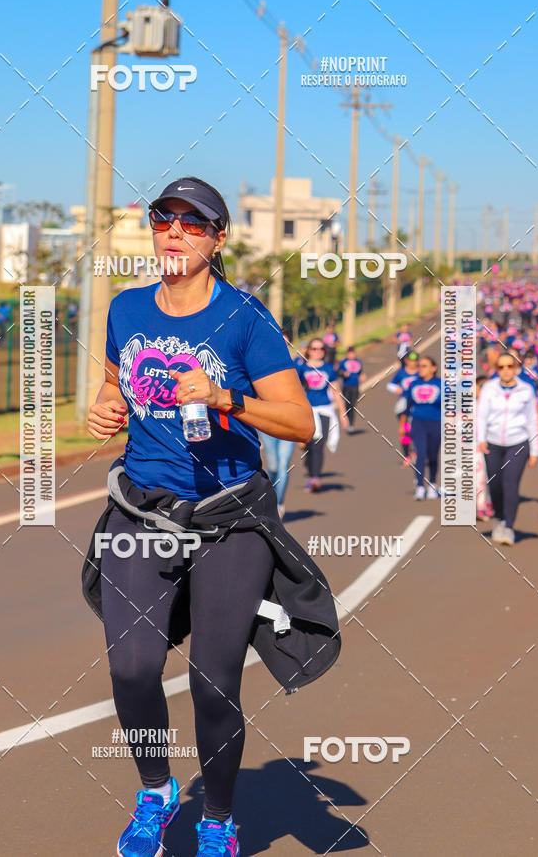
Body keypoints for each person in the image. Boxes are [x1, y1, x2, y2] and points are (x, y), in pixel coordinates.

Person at [86, 177, 339, 857]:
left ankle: (219, 819)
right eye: (163, 218)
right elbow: (116, 386)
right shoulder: (127, 308)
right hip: (143, 512)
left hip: (228, 519)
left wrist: (226, 396)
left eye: (192, 223)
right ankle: (155, 792)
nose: (174, 231)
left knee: (212, 679)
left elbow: (300, 422)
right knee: (133, 667)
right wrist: (104, 410)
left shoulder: (246, 320)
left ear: (217, 239)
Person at [477, 353, 538, 544]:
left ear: (516, 369)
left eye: (510, 366)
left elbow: (531, 419)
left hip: (518, 442)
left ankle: (509, 526)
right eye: (501, 367)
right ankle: (500, 518)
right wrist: (480, 439)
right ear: (497, 370)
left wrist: (534, 449)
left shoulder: (526, 390)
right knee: (495, 485)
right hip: (493, 443)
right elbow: (481, 415)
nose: (505, 370)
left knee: (511, 484)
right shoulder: (489, 388)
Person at [296, 337, 348, 491]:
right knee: (308, 444)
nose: (318, 352)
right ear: (308, 350)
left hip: (325, 410)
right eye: (314, 348)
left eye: (321, 349)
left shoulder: (329, 368)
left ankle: (315, 478)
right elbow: (295, 391)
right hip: (307, 411)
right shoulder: (302, 369)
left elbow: (336, 391)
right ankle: (310, 466)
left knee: (319, 444)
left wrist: (343, 413)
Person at [258, 329, 296, 518]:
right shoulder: (260, 364)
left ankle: (278, 505)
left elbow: (307, 397)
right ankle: (271, 498)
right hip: (268, 424)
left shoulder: (298, 367)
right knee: (272, 467)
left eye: (286, 343)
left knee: (283, 465)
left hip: (289, 423)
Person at [404, 355, 442, 500]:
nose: (421, 369)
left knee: (433, 455)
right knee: (420, 454)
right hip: (418, 422)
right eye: (420, 366)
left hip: (436, 423)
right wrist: (403, 425)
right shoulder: (413, 384)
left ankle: (432, 484)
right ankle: (420, 486)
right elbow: (407, 406)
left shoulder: (440, 384)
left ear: (433, 368)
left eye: (424, 366)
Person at [387, 351, 419, 464]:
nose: (413, 363)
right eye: (411, 360)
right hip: (403, 405)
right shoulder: (401, 373)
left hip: (417, 405)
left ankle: (415, 451)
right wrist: (397, 389)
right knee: (404, 430)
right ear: (406, 361)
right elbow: (390, 385)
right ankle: (406, 454)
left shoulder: (420, 373)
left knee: (415, 429)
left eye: (415, 360)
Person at [475, 376, 494, 520]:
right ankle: (481, 505)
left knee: (490, 475)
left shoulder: (492, 407)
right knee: (479, 476)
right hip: (475, 446)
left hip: (492, 445)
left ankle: (489, 502)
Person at [337, 345, 366, 433]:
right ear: (347, 354)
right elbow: (338, 371)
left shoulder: (358, 362)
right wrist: (343, 374)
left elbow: (360, 371)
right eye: (350, 353)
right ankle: (346, 421)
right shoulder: (343, 362)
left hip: (355, 386)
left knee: (353, 405)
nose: (351, 355)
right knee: (346, 405)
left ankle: (351, 425)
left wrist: (362, 375)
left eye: (353, 353)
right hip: (346, 386)